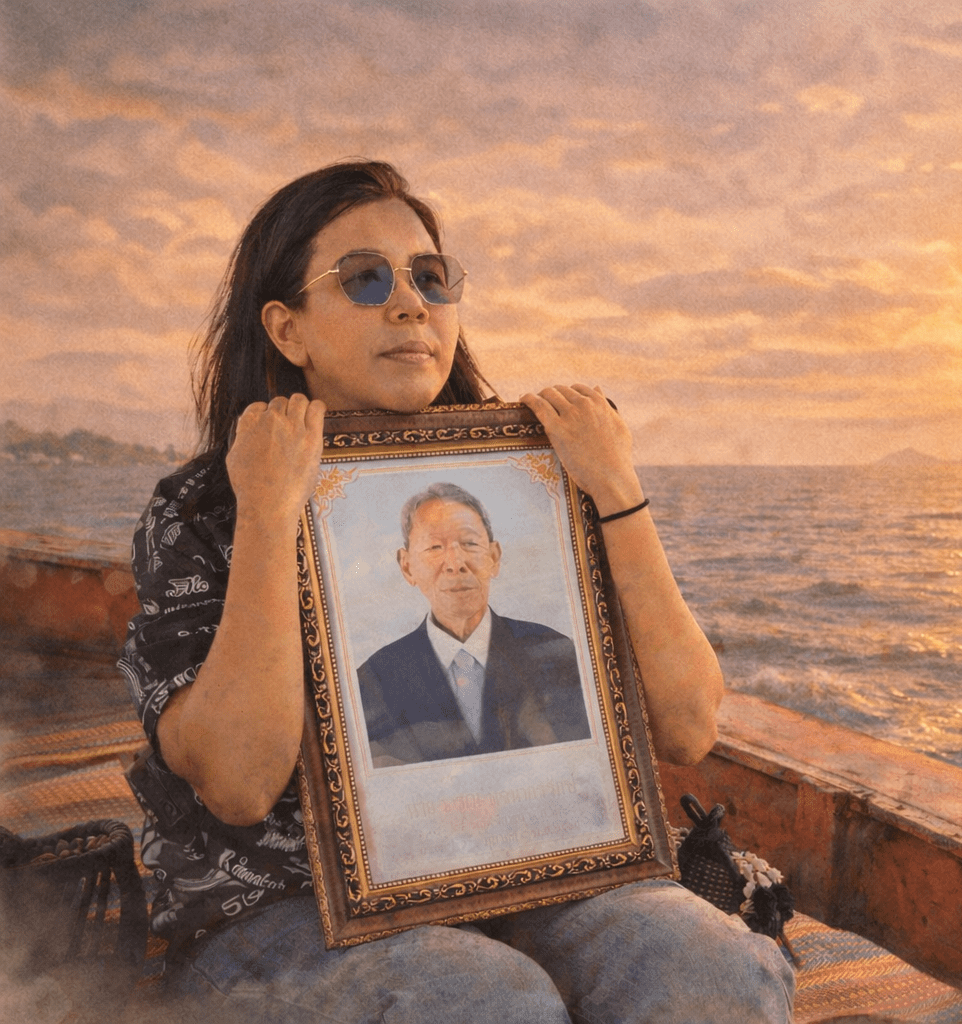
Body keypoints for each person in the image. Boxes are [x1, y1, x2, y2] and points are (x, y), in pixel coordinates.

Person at [116, 161, 794, 1023]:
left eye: (430, 278)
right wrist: (268, 512)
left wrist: (615, 489)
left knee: (711, 968)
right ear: (288, 330)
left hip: (535, 879)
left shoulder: (540, 471)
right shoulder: (201, 510)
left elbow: (691, 726)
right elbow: (241, 783)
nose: (411, 304)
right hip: (279, 910)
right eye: (365, 279)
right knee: (483, 999)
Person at [357, 481, 590, 766]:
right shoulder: (374, 679)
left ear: (493, 557)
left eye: (469, 543)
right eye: (434, 546)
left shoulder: (556, 654)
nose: (455, 563)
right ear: (407, 567)